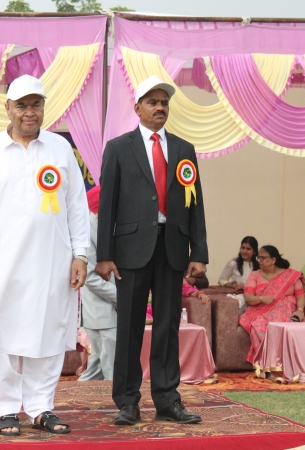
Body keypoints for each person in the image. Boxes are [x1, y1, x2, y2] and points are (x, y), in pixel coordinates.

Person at [0, 74, 89, 436]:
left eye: (36, 104)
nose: (29, 112)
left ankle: (40, 407)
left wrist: (80, 254)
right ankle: (5, 409)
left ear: (44, 107)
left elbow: (77, 206)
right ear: (8, 108)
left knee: (48, 333)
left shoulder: (60, 149)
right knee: (2, 335)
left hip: (52, 261)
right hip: (0, 263)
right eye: (21, 105)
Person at [96, 75, 208, 426]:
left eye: (164, 102)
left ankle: (167, 399)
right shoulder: (119, 147)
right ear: (138, 108)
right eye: (152, 102)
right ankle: (127, 401)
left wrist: (199, 252)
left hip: (172, 247)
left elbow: (195, 204)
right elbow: (107, 204)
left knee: (167, 326)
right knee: (129, 326)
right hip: (130, 250)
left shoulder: (184, 149)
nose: (160, 107)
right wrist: (104, 254)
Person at [240, 245, 305, 368]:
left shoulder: (290, 275)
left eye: (263, 258)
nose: (259, 261)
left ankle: (291, 365)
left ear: (273, 260)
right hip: (261, 310)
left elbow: (300, 296)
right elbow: (248, 297)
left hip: (288, 311)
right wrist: (261, 298)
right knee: (258, 325)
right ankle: (270, 364)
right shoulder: (255, 275)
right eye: (258, 258)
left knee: (293, 327)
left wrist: (300, 310)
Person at [79, 186, 117, 382]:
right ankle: (118, 401)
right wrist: (122, 296)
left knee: (96, 371)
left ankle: (73, 398)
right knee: (113, 371)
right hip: (101, 314)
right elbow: (90, 277)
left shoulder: (101, 226)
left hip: (105, 314)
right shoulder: (87, 230)